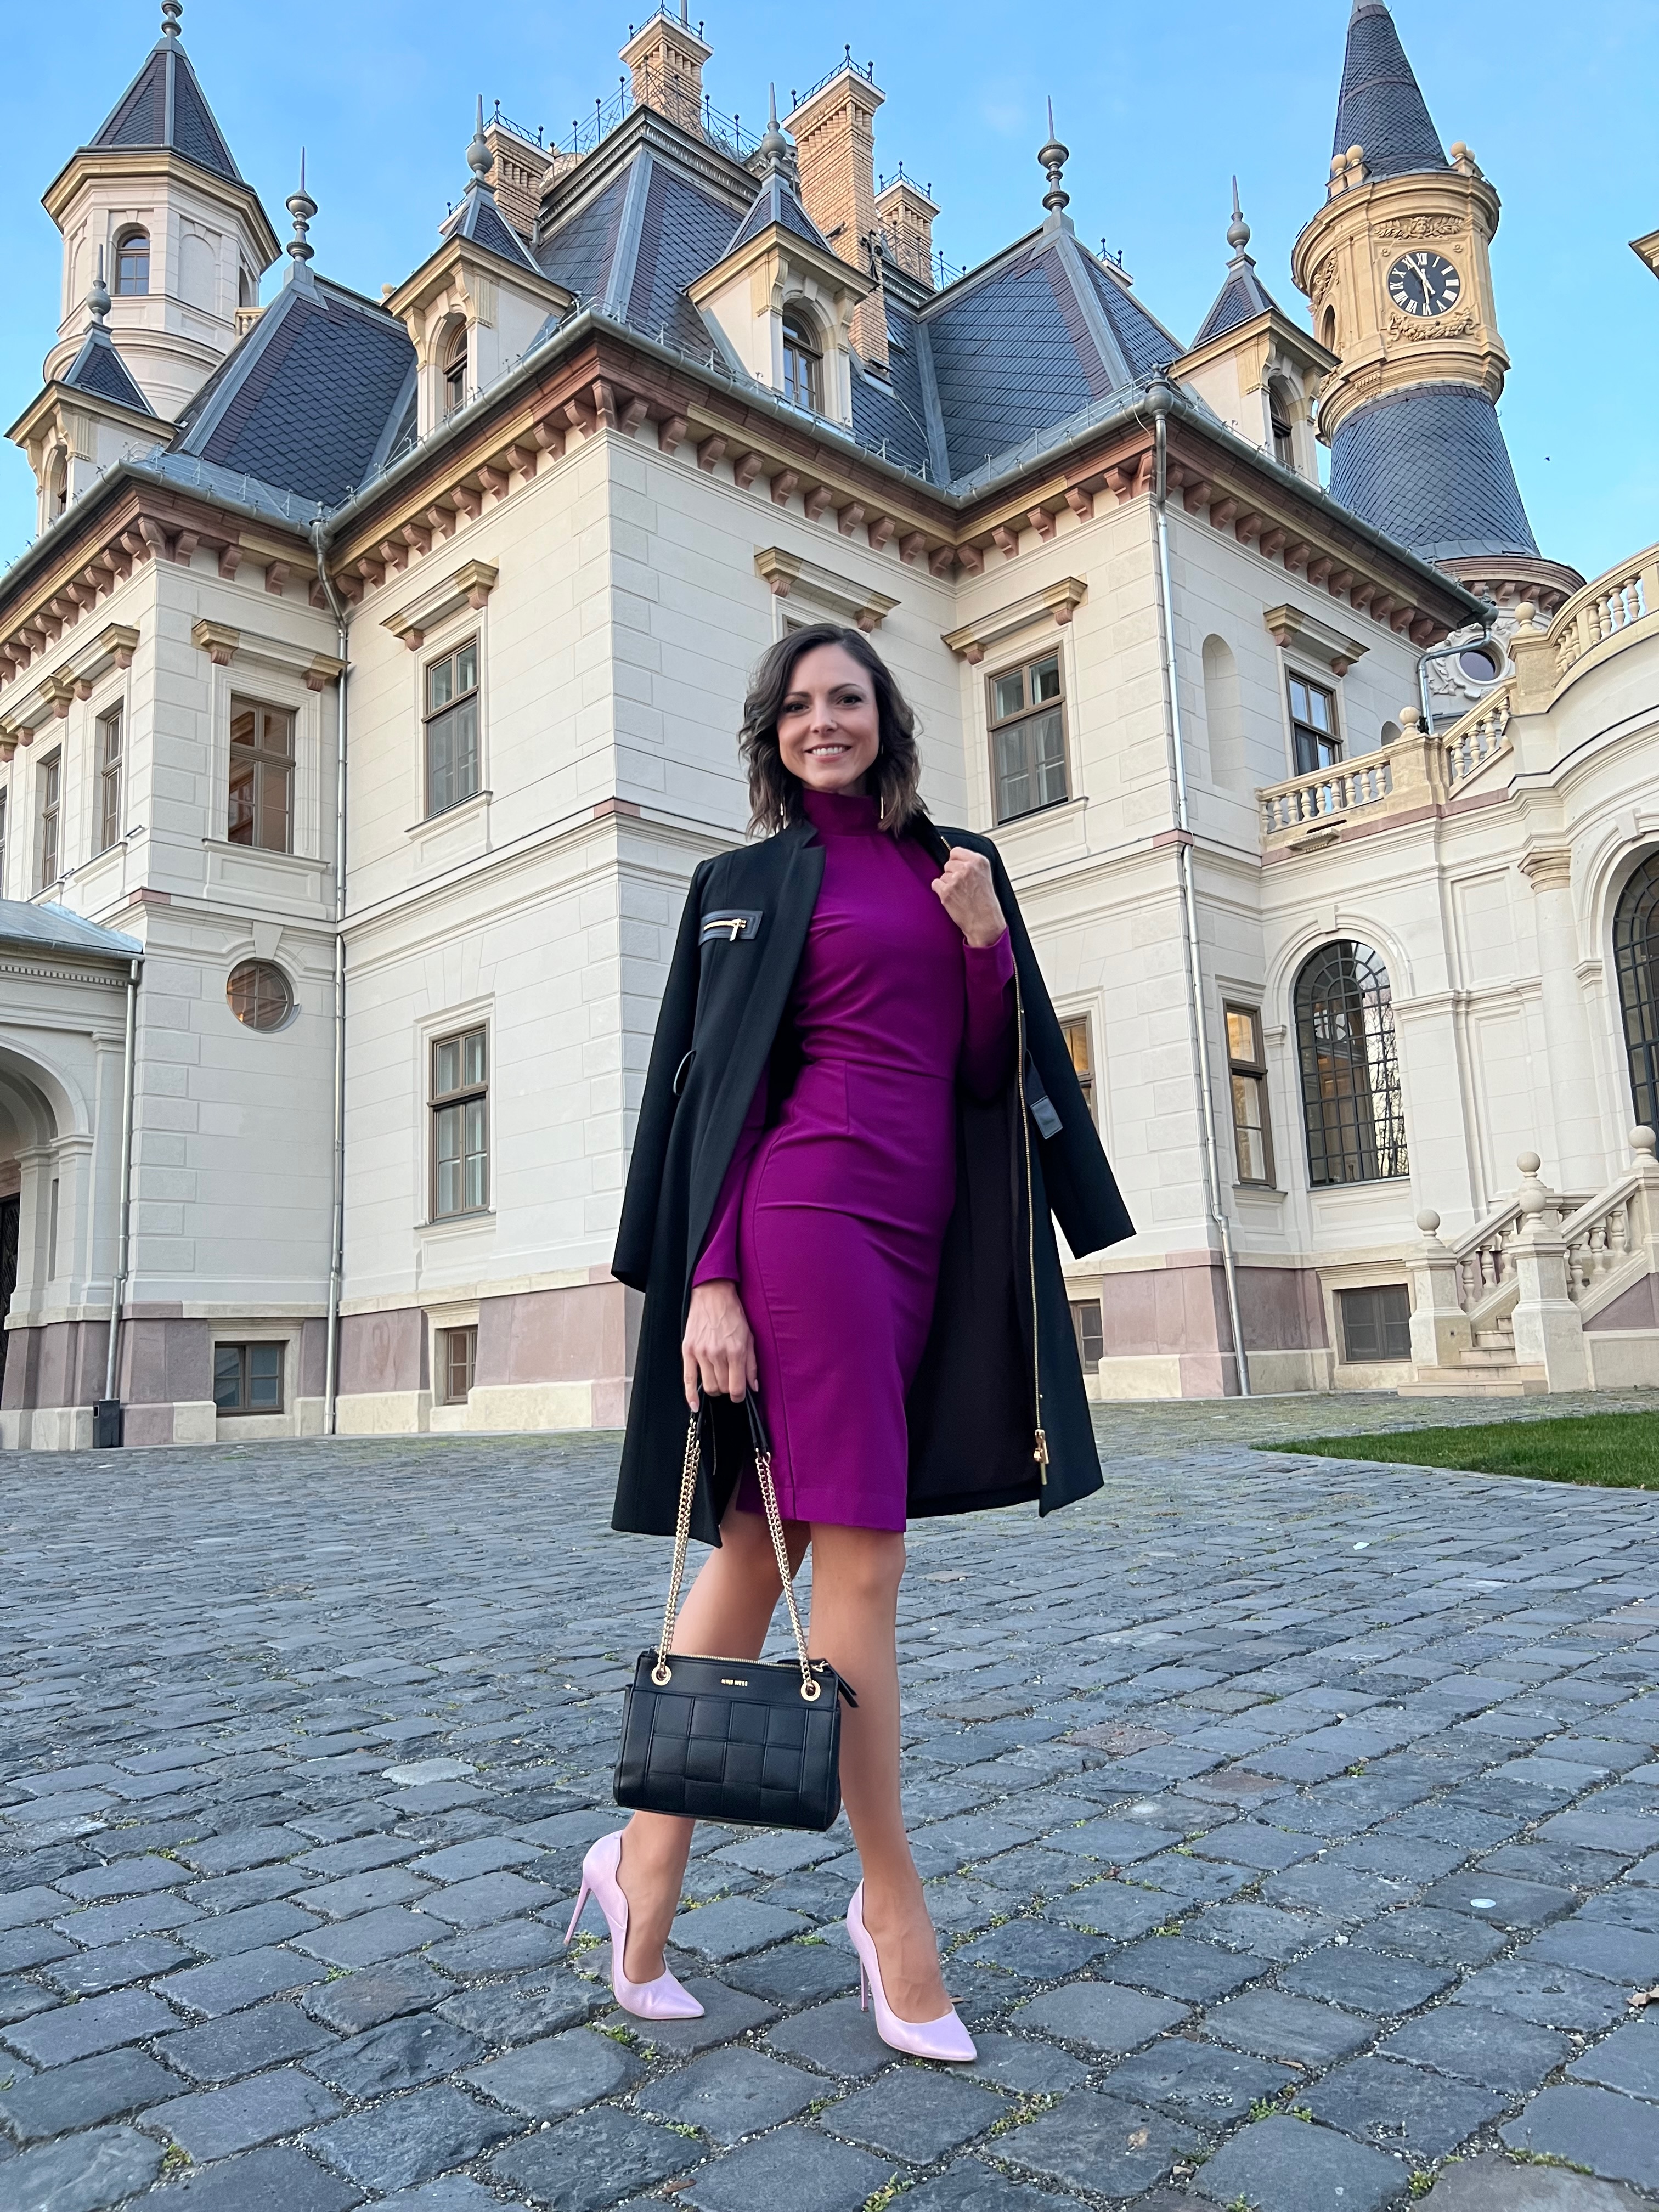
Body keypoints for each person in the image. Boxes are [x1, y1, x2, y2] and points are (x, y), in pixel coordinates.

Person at [569, 623, 1132, 2057]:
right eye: (801, 705)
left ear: (888, 719)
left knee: (760, 1548)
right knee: (864, 1562)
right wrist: (708, 1280)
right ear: (774, 734)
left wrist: (988, 946)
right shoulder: (741, 886)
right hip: (803, 1221)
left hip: (922, 1236)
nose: (826, 720)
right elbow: (714, 1095)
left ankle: (641, 1866)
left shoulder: (960, 871)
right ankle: (893, 1913)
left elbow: (985, 1073)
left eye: (850, 698)